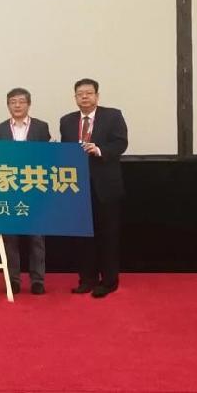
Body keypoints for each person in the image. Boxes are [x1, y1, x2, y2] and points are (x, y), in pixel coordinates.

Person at [60, 78, 128, 298]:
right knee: (83, 236)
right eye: (80, 94)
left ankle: (109, 281)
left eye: (89, 93)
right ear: (75, 98)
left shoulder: (113, 116)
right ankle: (87, 279)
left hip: (105, 187)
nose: (84, 97)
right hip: (78, 187)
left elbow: (121, 143)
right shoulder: (67, 121)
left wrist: (98, 150)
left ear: (97, 96)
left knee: (108, 235)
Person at [0, 88, 51, 295]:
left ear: (29, 104)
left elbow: (48, 157)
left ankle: (38, 280)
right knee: (10, 238)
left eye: (21, 102)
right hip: (8, 190)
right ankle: (13, 280)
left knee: (37, 238)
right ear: (8, 105)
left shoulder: (41, 127)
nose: (17, 105)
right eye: (13, 102)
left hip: (34, 189)